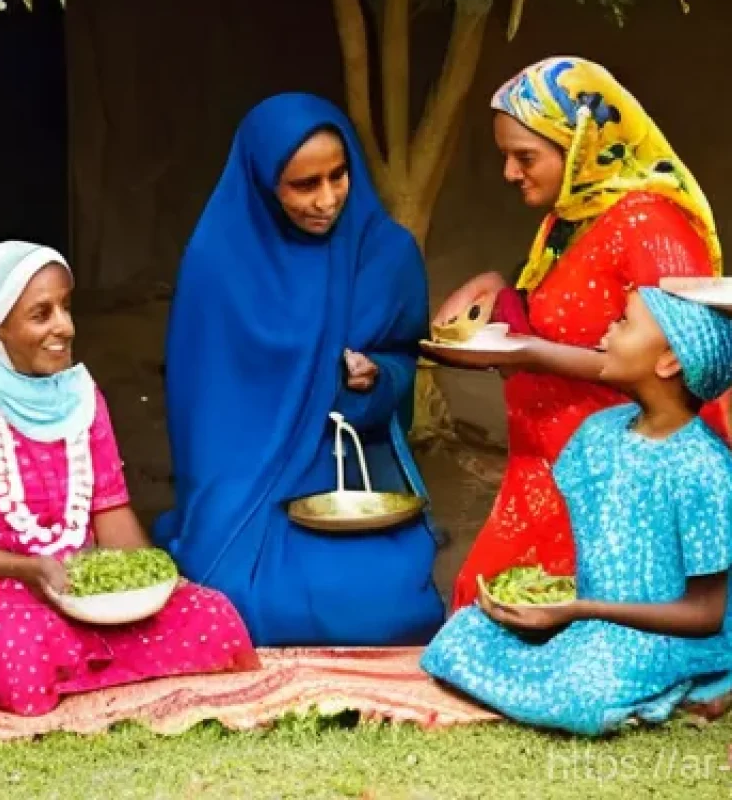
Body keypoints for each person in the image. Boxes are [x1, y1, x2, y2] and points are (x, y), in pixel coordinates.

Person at [0, 242, 257, 717]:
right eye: (40, 314)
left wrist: (152, 580)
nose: (63, 326)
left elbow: (110, 511)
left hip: (79, 585)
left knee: (212, 618)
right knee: (19, 660)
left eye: (66, 307)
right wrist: (23, 569)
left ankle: (78, 664)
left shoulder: (81, 395)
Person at [430, 57, 727, 610]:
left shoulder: (650, 225)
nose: (510, 173)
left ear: (584, 144)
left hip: (617, 483)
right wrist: (500, 292)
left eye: (525, 157)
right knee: (482, 609)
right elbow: (565, 311)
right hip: (548, 463)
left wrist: (531, 353)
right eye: (505, 157)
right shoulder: (571, 217)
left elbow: (671, 361)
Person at [153, 93, 444, 646]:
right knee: (233, 602)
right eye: (304, 185)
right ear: (264, 183)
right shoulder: (219, 263)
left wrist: (376, 378)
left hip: (345, 470)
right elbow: (203, 415)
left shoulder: (385, 252)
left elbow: (405, 361)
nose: (327, 199)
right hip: (241, 476)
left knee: (386, 608)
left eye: (339, 176)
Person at [422, 287, 732, 735]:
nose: (608, 331)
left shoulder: (704, 469)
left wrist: (581, 610)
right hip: (592, 624)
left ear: (669, 361)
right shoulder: (600, 433)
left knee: (582, 693)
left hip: (673, 638)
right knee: (459, 638)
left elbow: (705, 614)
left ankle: (703, 679)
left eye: (624, 324)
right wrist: (562, 606)